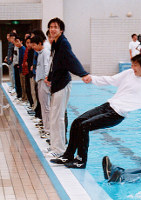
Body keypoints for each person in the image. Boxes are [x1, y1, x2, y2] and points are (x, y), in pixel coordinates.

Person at [50, 53, 141, 168]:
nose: (133, 68)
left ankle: (81, 161)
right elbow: (110, 80)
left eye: (135, 65)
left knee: (84, 126)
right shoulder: (129, 73)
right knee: (77, 122)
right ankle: (68, 155)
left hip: (116, 114)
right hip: (108, 105)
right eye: (132, 64)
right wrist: (92, 78)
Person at [45, 17, 89, 157]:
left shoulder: (63, 43)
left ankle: (59, 150)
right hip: (57, 83)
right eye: (51, 27)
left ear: (61, 30)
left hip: (62, 84)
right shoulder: (56, 43)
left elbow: (71, 59)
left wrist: (82, 73)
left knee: (58, 117)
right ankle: (54, 146)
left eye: (55, 27)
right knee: (54, 116)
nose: (52, 29)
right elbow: (56, 63)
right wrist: (50, 77)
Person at [31, 35, 51, 138]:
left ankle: (48, 129)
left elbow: (46, 66)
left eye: (34, 45)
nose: (33, 47)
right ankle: (46, 126)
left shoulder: (45, 52)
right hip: (40, 80)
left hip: (44, 81)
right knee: (43, 105)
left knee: (46, 106)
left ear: (39, 43)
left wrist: (47, 78)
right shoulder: (40, 53)